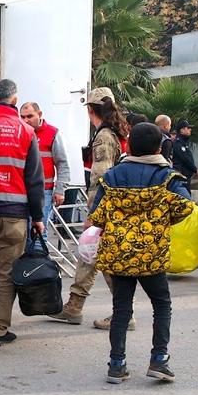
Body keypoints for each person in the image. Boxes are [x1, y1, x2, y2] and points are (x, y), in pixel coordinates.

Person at [90, 122, 198, 384]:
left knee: (121, 309)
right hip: (152, 255)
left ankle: (117, 365)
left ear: (128, 145)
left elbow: (97, 216)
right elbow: (185, 207)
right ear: (159, 147)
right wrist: (161, 219)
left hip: (119, 254)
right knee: (161, 304)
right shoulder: (168, 178)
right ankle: (159, 360)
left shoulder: (112, 176)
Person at [0, 79, 45, 346]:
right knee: (6, 273)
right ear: (14, 101)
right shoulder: (26, 131)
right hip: (13, 213)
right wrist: (37, 217)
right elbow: (35, 179)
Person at [47, 87, 129, 328]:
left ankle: (124, 313)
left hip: (104, 207)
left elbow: (101, 176)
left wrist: (94, 214)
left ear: (90, 110)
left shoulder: (103, 135)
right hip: (113, 206)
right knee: (89, 255)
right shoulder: (116, 132)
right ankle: (74, 307)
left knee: (100, 259)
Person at [20, 101, 71, 231]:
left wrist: (60, 190)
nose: (26, 120)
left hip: (44, 191)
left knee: (39, 233)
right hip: (21, 190)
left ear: (40, 114)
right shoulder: (19, 132)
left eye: (30, 116)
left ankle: (38, 252)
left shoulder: (53, 133)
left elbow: (62, 163)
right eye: (23, 117)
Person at [172, 120, 198, 188]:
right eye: (188, 128)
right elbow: (184, 158)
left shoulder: (183, 142)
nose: (190, 130)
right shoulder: (178, 143)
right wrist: (194, 169)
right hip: (181, 174)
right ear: (182, 130)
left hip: (186, 174)